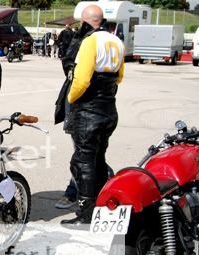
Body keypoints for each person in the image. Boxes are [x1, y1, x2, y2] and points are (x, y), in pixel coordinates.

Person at [60, 5, 125, 226]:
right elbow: (119, 77)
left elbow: (81, 79)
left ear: (86, 22)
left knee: (82, 162)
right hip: (109, 108)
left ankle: (86, 213)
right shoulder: (116, 41)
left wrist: (71, 99)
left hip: (88, 111)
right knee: (98, 159)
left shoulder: (90, 41)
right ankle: (100, 206)